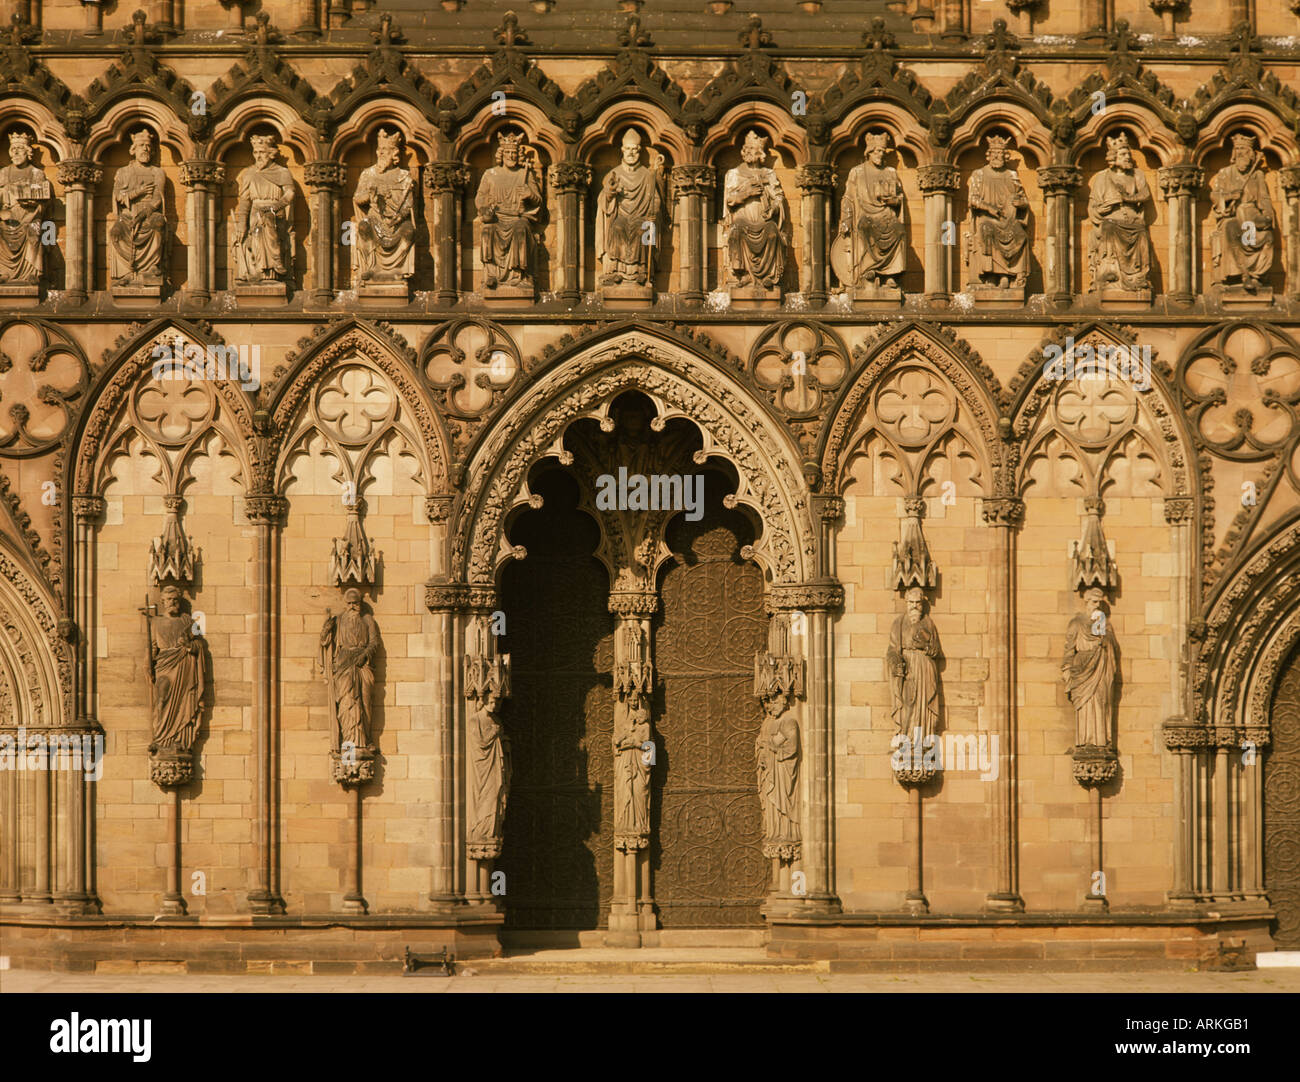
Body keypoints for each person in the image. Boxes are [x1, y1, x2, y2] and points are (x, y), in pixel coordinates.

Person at [475, 131, 541, 288]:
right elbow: (480, 198)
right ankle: (491, 275)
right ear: (501, 154)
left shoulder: (525, 174)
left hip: (517, 217)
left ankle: (519, 275)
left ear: (518, 155)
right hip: (496, 218)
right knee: (487, 230)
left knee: (521, 228)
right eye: (508, 152)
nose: (511, 156)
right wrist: (485, 210)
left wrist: (529, 194)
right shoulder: (490, 174)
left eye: (514, 152)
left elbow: (538, 200)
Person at [1210, 133, 1274, 293]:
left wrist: (1267, 217)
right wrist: (1231, 196)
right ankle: (1241, 274)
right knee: (1230, 228)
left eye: (1244, 149)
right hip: (1234, 217)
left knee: (1267, 236)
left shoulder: (1257, 175)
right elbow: (1215, 195)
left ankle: (1255, 275)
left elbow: (1264, 199)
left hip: (1251, 219)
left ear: (1251, 154)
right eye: (1237, 149)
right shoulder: (1225, 173)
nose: (1240, 153)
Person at [723, 131, 787, 289]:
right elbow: (730, 199)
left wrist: (773, 209)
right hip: (742, 219)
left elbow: (778, 197)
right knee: (737, 229)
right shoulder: (734, 174)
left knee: (772, 231)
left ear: (761, 153)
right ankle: (744, 275)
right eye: (748, 149)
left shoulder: (769, 174)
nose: (750, 152)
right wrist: (746, 193)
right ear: (743, 151)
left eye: (754, 149)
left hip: (763, 219)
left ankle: (768, 276)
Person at [148, 585, 205, 753]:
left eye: (176, 599)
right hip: (164, 666)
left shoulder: (187, 621)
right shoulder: (156, 622)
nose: (173, 602)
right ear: (163, 601)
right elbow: (152, 648)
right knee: (161, 698)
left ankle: (179, 738)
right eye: (169, 599)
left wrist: (188, 645)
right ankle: (160, 737)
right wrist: (147, 664)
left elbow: (198, 645)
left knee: (184, 701)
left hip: (184, 667)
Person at [1062, 588, 1119, 748]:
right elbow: (1069, 649)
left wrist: (1105, 642)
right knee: (1085, 706)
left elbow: (1112, 645)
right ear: (1087, 602)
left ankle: (1100, 740)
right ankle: (1085, 740)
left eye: (1099, 602)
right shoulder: (1076, 623)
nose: (1097, 605)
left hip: (1100, 667)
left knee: (1101, 701)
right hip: (1082, 669)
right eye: (1094, 602)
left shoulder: (1105, 625)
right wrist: (1066, 668)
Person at [109, 129, 167, 286]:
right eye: (141, 145)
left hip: (148, 213)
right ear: (133, 149)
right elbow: (118, 196)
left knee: (158, 224)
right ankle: (126, 273)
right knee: (116, 232)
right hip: (128, 214)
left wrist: (143, 214)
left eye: (148, 146)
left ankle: (152, 268)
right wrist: (137, 192)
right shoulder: (123, 172)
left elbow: (157, 199)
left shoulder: (157, 172)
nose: (145, 149)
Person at [887, 587, 941, 740]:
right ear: (906, 603)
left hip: (924, 669)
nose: (914, 606)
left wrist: (926, 645)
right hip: (907, 668)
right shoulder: (898, 623)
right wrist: (896, 662)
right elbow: (891, 649)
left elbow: (935, 650)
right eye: (911, 602)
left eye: (918, 603)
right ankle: (905, 736)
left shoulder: (928, 623)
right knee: (907, 702)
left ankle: (922, 738)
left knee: (922, 705)